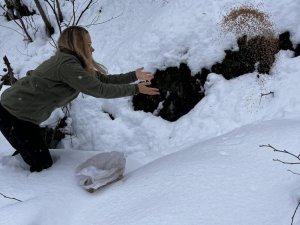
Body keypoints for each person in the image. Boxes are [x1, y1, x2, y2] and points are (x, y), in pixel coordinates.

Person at [0, 26, 160, 172]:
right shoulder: (66, 65)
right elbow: (99, 89)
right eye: (88, 44)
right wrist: (136, 88)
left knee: (32, 154)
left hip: (23, 116)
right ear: (77, 45)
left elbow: (102, 80)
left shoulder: (73, 64)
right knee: (42, 164)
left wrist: (133, 76)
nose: (92, 49)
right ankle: (24, 191)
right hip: (12, 115)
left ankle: (18, 168)